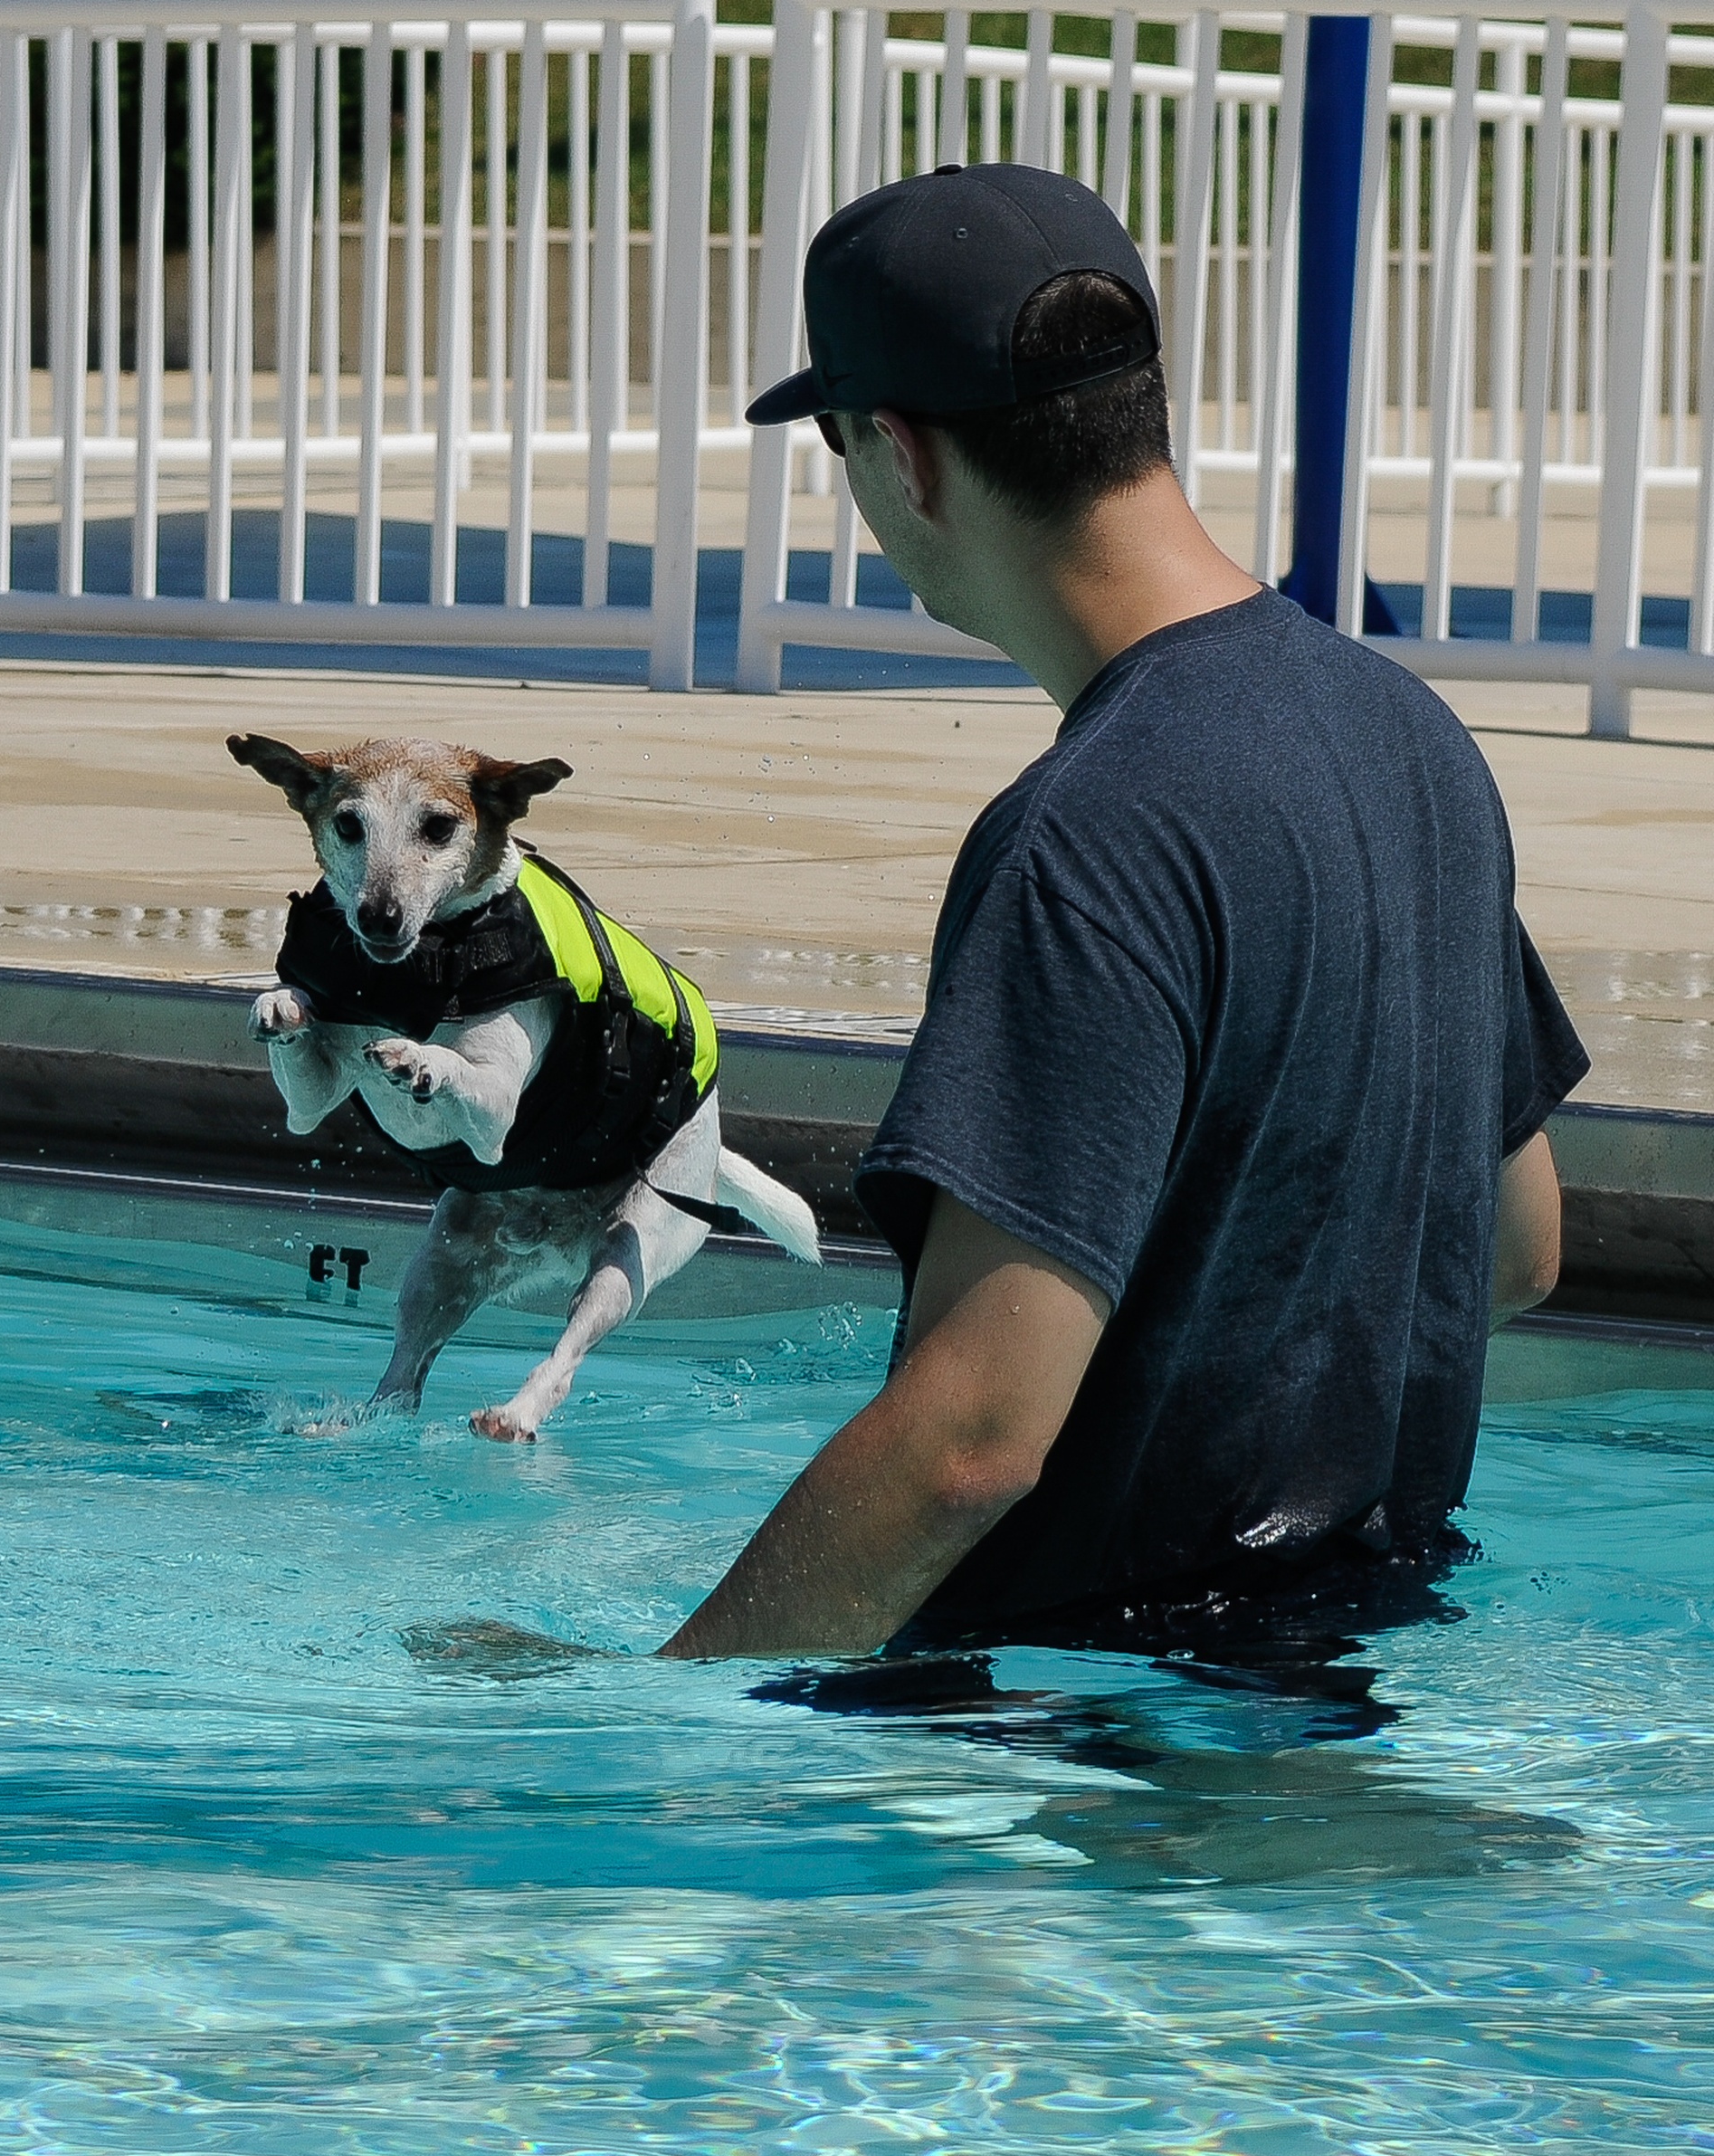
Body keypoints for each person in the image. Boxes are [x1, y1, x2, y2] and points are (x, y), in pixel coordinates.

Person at [660, 163, 1586, 1664]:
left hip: (1081, 1730)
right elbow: (1515, 1251)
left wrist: (653, 1723)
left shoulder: (1087, 838)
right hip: (1347, 1659)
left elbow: (970, 1441)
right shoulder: (1409, 733)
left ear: (903, 456)